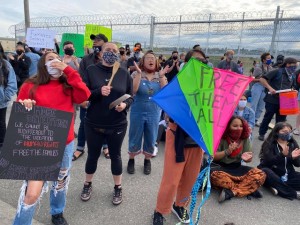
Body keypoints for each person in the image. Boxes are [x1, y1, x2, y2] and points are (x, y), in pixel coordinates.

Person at [13, 52, 90, 225]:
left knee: (60, 182)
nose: (55, 61)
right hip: (38, 143)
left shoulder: (68, 85)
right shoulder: (30, 85)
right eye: (50, 59)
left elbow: (84, 96)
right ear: (42, 64)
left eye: (58, 59)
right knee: (31, 194)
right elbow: (19, 112)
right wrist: (26, 105)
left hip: (65, 143)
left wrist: (69, 72)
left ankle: (57, 212)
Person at [152, 49, 207, 225]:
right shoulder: (180, 82)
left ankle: (180, 205)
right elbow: (169, 108)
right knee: (171, 179)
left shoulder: (208, 85)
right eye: (195, 60)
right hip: (178, 136)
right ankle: (160, 210)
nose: (200, 64)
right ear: (187, 63)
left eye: (203, 61)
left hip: (198, 140)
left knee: (190, 178)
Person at [80, 42, 133, 205]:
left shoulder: (124, 74)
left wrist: (125, 105)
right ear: (101, 53)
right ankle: (87, 184)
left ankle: (118, 187)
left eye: (115, 51)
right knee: (92, 155)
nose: (111, 52)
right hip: (93, 122)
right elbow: (83, 94)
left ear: (119, 54)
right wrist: (97, 92)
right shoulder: (91, 70)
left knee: (116, 156)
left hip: (117, 124)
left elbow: (130, 96)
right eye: (108, 50)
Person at [127, 52, 168, 175]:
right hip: (137, 111)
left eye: (153, 59)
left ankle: (147, 160)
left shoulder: (160, 75)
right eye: (148, 58)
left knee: (151, 136)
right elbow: (133, 90)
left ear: (156, 62)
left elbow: (165, 93)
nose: (151, 60)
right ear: (143, 61)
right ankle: (131, 160)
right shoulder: (136, 73)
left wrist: (161, 77)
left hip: (154, 112)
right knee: (135, 135)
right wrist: (139, 74)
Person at [210, 116, 266, 203]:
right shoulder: (221, 137)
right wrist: (228, 151)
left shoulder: (245, 139)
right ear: (228, 127)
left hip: (237, 168)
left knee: (260, 174)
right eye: (235, 126)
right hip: (221, 168)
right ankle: (248, 189)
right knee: (215, 176)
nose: (238, 128)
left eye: (241, 126)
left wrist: (247, 158)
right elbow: (213, 156)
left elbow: (248, 159)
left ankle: (232, 192)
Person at [73, 33, 109, 161]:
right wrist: (83, 98)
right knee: (84, 122)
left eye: (98, 40)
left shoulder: (109, 59)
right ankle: (80, 148)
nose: (94, 42)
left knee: (105, 123)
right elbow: (81, 80)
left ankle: (105, 146)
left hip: (105, 98)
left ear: (105, 43)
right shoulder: (86, 59)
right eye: (93, 40)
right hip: (88, 98)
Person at [258, 57, 298, 141]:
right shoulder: (277, 71)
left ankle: (277, 136)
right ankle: (262, 133)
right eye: (293, 65)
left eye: (296, 66)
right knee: (268, 117)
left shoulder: (292, 74)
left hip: (285, 101)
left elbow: (293, 86)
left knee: (281, 120)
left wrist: (294, 91)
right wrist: (270, 88)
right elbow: (262, 79)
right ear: (287, 64)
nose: (295, 67)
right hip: (272, 99)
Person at [258, 122, 300, 200]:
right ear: (277, 132)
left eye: (289, 132)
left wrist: (295, 158)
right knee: (265, 171)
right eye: (284, 131)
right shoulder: (269, 144)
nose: (287, 133)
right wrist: (282, 155)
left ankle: (278, 186)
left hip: (287, 175)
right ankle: (294, 194)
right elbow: (267, 162)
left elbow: (297, 164)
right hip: (273, 173)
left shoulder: (292, 143)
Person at [250, 52, 273, 127]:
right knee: (254, 104)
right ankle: (250, 120)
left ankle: (256, 120)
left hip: (265, 88)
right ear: (263, 60)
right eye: (268, 58)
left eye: (270, 58)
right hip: (257, 86)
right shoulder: (258, 68)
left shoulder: (270, 68)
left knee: (261, 106)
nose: (270, 60)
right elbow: (252, 79)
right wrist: (259, 80)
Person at [0, 54, 17, 147]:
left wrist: (5, 97)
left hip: (1, 102)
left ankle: (2, 146)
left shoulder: (5, 64)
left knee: (1, 124)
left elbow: (12, 83)